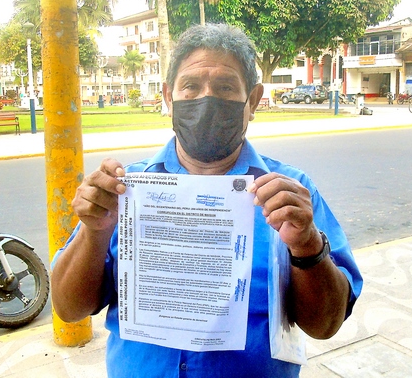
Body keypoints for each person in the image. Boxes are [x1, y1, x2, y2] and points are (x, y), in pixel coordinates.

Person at [51, 23, 363, 377]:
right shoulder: (125, 193)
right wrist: (95, 232)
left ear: (253, 100)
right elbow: (69, 309)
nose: (206, 99)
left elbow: (325, 325)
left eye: (225, 87)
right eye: (191, 86)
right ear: (169, 97)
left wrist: (306, 245)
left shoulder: (292, 196)